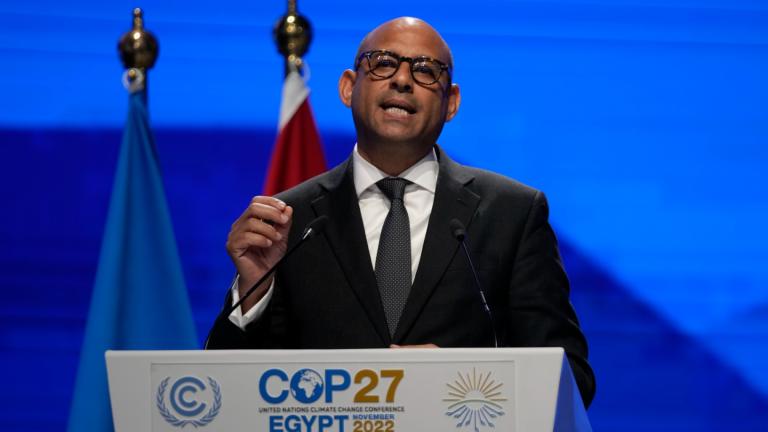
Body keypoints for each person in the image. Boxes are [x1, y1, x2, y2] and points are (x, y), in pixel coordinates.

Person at [206, 16, 596, 407]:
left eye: (426, 70)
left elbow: (572, 380)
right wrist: (252, 293)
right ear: (347, 86)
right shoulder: (292, 219)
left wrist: (455, 379)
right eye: (383, 63)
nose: (402, 80)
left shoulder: (512, 213)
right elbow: (224, 393)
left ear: (452, 103)